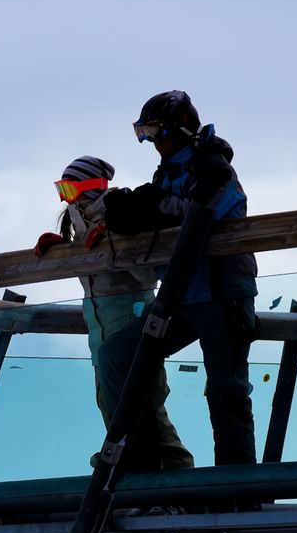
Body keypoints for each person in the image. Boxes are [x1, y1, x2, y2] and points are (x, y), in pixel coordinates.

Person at [99, 90, 260, 466]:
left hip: (223, 294)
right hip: (178, 296)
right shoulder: (168, 172)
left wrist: (150, 208)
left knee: (226, 390)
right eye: (146, 133)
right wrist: (132, 210)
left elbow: (201, 214)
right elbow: (158, 215)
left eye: (158, 132)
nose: (153, 142)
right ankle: (149, 465)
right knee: (118, 355)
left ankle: (237, 491)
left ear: (183, 130)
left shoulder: (214, 166)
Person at [34, 156, 194, 471]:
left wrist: (114, 247)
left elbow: (147, 276)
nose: (64, 198)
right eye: (60, 190)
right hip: (101, 336)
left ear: (90, 187)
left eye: (68, 188)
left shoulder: (121, 213)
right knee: (111, 409)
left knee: (148, 410)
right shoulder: (79, 223)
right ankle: (131, 474)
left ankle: (179, 480)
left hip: (132, 330)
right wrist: (62, 251)